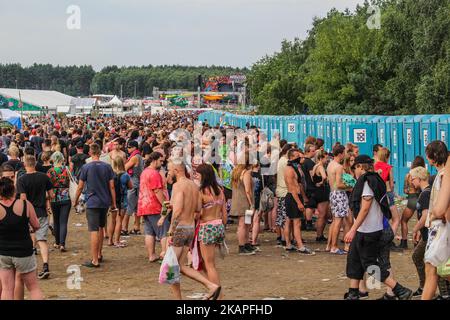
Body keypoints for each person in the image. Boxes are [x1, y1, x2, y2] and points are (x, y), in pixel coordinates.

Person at [344, 155, 412, 300]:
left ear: (360, 167)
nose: (354, 172)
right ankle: (353, 293)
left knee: (370, 265)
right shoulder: (375, 179)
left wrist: (352, 229)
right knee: (354, 260)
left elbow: (364, 209)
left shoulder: (368, 182)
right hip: (365, 230)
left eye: (354, 168)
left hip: (368, 230)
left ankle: (400, 290)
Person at [166, 159, 221, 300]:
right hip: (193, 227)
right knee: (177, 266)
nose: (168, 172)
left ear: (177, 171)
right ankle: (210, 287)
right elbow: (197, 209)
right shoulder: (195, 187)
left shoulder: (179, 186)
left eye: (170, 170)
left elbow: (178, 212)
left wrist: (170, 231)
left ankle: (211, 286)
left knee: (174, 267)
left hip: (183, 228)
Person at [0, 177, 43, 300]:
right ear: (14, 190)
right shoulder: (25, 204)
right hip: (23, 251)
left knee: (7, 289)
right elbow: (36, 225)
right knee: (33, 287)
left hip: (3, 252)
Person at [74, 143, 116, 268]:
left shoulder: (86, 167)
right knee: (101, 227)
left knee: (93, 230)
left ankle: (94, 260)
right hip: (104, 201)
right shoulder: (107, 167)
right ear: (100, 153)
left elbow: (80, 186)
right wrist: (113, 203)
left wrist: (75, 200)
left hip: (92, 201)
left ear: (90, 153)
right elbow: (112, 186)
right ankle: (99, 254)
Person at [16, 155, 53, 281]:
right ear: (35, 163)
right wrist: (46, 202)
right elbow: (51, 194)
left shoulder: (21, 179)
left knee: (28, 239)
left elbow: (23, 199)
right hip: (41, 211)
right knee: (42, 240)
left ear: (25, 165)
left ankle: (29, 268)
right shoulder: (44, 177)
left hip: (27, 213)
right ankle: (46, 265)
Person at [421, 141, 450, 300]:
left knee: (431, 268)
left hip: (441, 227)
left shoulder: (445, 174)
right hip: (438, 226)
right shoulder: (442, 174)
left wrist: (434, 216)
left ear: (432, 157)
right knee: (435, 268)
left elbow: (444, 205)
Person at [196, 164, 226, 294]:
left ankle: (216, 293)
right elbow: (224, 213)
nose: (195, 176)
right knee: (209, 263)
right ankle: (214, 290)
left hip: (206, 226)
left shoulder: (201, 192)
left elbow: (197, 214)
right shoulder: (219, 190)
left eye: (197, 174)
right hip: (218, 225)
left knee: (209, 265)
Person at [137, 152, 167, 262]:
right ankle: (165, 254)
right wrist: (165, 204)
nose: (162, 163)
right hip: (154, 206)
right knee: (163, 231)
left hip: (144, 206)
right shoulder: (154, 174)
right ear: (154, 160)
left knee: (149, 232)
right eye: (161, 161)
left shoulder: (144, 172)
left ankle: (151, 255)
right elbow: (157, 191)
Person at [284, 148, 314, 255]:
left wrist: (304, 197)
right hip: (293, 197)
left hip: (296, 196)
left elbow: (300, 184)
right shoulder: (289, 170)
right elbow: (292, 189)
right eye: (297, 156)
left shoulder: (296, 167)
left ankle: (289, 244)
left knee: (291, 221)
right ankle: (300, 246)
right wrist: (299, 203)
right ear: (291, 157)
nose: (299, 158)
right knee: (296, 223)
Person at [410, 166, 431, 298]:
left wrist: (415, 228)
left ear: (418, 178)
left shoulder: (425, 194)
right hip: (425, 233)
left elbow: (425, 216)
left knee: (422, 258)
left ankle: (427, 287)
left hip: (429, 234)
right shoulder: (425, 192)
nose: (412, 182)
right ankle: (425, 286)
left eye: (412, 179)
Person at [375, 148, 401, 249]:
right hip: (387, 194)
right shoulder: (389, 167)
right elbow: (391, 184)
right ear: (387, 156)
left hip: (377, 196)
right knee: (396, 219)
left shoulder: (374, 166)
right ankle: (388, 241)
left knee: (382, 218)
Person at [327, 144, 351, 255]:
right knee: (338, 221)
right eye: (344, 152)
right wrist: (351, 187)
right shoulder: (339, 167)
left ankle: (331, 245)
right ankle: (334, 246)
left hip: (332, 193)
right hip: (339, 194)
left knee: (335, 220)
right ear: (340, 153)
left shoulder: (330, 164)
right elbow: (339, 184)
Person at [230, 155, 256, 255]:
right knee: (243, 224)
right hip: (244, 201)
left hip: (238, 200)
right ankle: (242, 246)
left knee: (246, 223)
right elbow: (248, 190)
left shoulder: (236, 172)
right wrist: (251, 204)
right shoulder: (246, 173)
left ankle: (246, 244)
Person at [47, 152, 71, 252]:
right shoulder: (66, 169)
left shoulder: (50, 171)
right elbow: (70, 181)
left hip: (54, 198)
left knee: (56, 221)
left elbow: (48, 186)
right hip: (65, 196)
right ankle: (62, 244)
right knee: (63, 222)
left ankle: (57, 242)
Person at [400, 156, 425, 249]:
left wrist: (410, 189)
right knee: (420, 221)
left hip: (412, 199)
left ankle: (404, 242)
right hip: (422, 198)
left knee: (403, 220)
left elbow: (405, 190)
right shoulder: (425, 174)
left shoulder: (409, 175)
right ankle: (417, 243)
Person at [108, 156, 132, 248]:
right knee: (119, 221)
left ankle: (110, 240)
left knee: (112, 220)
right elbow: (131, 186)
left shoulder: (112, 174)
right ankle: (117, 241)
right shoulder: (125, 175)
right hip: (123, 200)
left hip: (113, 200)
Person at [123, 140, 144, 235]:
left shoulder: (134, 157)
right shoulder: (139, 156)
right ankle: (136, 228)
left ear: (134, 148)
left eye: (129, 147)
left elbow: (125, 168)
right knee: (136, 208)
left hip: (133, 184)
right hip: (138, 184)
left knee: (129, 207)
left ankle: (124, 228)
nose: (128, 149)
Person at [310, 150, 330, 242]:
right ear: (321, 158)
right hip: (322, 192)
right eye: (326, 158)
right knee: (322, 215)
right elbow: (324, 177)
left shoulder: (314, 166)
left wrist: (316, 183)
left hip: (316, 191)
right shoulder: (321, 167)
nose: (327, 160)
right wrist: (323, 181)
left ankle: (319, 235)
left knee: (321, 215)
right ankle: (319, 235)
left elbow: (312, 177)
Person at [275, 144, 291, 246]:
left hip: (280, 190)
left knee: (281, 216)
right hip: (285, 190)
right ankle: (286, 239)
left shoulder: (280, 160)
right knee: (286, 217)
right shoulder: (285, 162)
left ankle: (281, 237)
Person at [301, 144, 317, 231]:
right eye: (313, 151)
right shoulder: (310, 163)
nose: (314, 153)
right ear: (307, 151)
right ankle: (309, 222)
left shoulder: (302, 161)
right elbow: (312, 175)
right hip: (310, 187)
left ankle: (304, 222)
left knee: (306, 205)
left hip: (304, 186)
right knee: (310, 206)